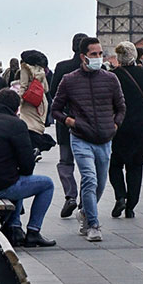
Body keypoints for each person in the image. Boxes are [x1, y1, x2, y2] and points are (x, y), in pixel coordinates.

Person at [50, 36, 125, 243]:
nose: (98, 58)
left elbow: (121, 106)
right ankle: (93, 224)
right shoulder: (69, 80)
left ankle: (84, 212)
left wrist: (115, 124)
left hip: (105, 138)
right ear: (83, 56)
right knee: (89, 179)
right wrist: (69, 122)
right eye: (94, 54)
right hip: (81, 137)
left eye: (100, 54)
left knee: (100, 183)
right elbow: (55, 108)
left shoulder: (110, 79)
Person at [0, 88, 56, 248]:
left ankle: (15, 227)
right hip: (0, 186)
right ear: (17, 108)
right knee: (46, 184)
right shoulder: (17, 124)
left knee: (16, 178)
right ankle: (33, 231)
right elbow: (27, 165)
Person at [109, 42, 143, 218]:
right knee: (135, 167)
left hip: (118, 127)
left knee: (115, 164)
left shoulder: (112, 76)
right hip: (140, 127)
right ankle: (131, 206)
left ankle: (120, 196)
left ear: (118, 57)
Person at [50, 33, 88, 217]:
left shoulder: (62, 67)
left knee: (65, 161)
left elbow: (53, 93)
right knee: (86, 163)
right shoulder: (96, 69)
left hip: (65, 120)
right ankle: (84, 198)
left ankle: (70, 195)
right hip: (88, 122)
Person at [18, 50, 53, 152]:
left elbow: (23, 86)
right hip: (41, 101)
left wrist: (19, 101)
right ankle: (37, 146)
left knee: (28, 125)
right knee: (37, 125)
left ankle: (32, 148)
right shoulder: (41, 70)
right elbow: (46, 88)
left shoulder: (25, 69)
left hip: (29, 101)